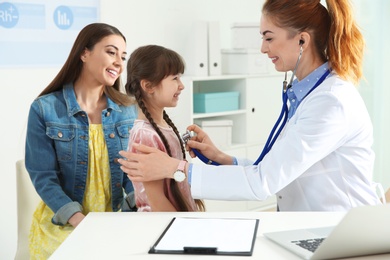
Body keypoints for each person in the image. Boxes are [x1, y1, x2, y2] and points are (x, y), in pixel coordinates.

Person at [118, 0, 382, 211]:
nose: (263, 49)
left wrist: (173, 168)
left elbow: (262, 182)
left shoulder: (330, 102)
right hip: (316, 225)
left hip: (342, 226)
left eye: (268, 38)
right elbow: (275, 167)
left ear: (302, 40)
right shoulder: (306, 95)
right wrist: (223, 158)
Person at [25, 23, 137, 258]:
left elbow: (133, 172)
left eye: (123, 56)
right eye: (111, 52)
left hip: (116, 220)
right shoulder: (44, 109)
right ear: (84, 53)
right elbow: (43, 177)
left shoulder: (127, 110)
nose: (119, 62)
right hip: (65, 221)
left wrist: (134, 209)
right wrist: (79, 220)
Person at [125, 45, 204, 212]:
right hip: (164, 224)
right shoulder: (144, 136)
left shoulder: (162, 127)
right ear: (148, 86)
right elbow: (157, 200)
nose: (181, 85)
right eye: (175, 78)